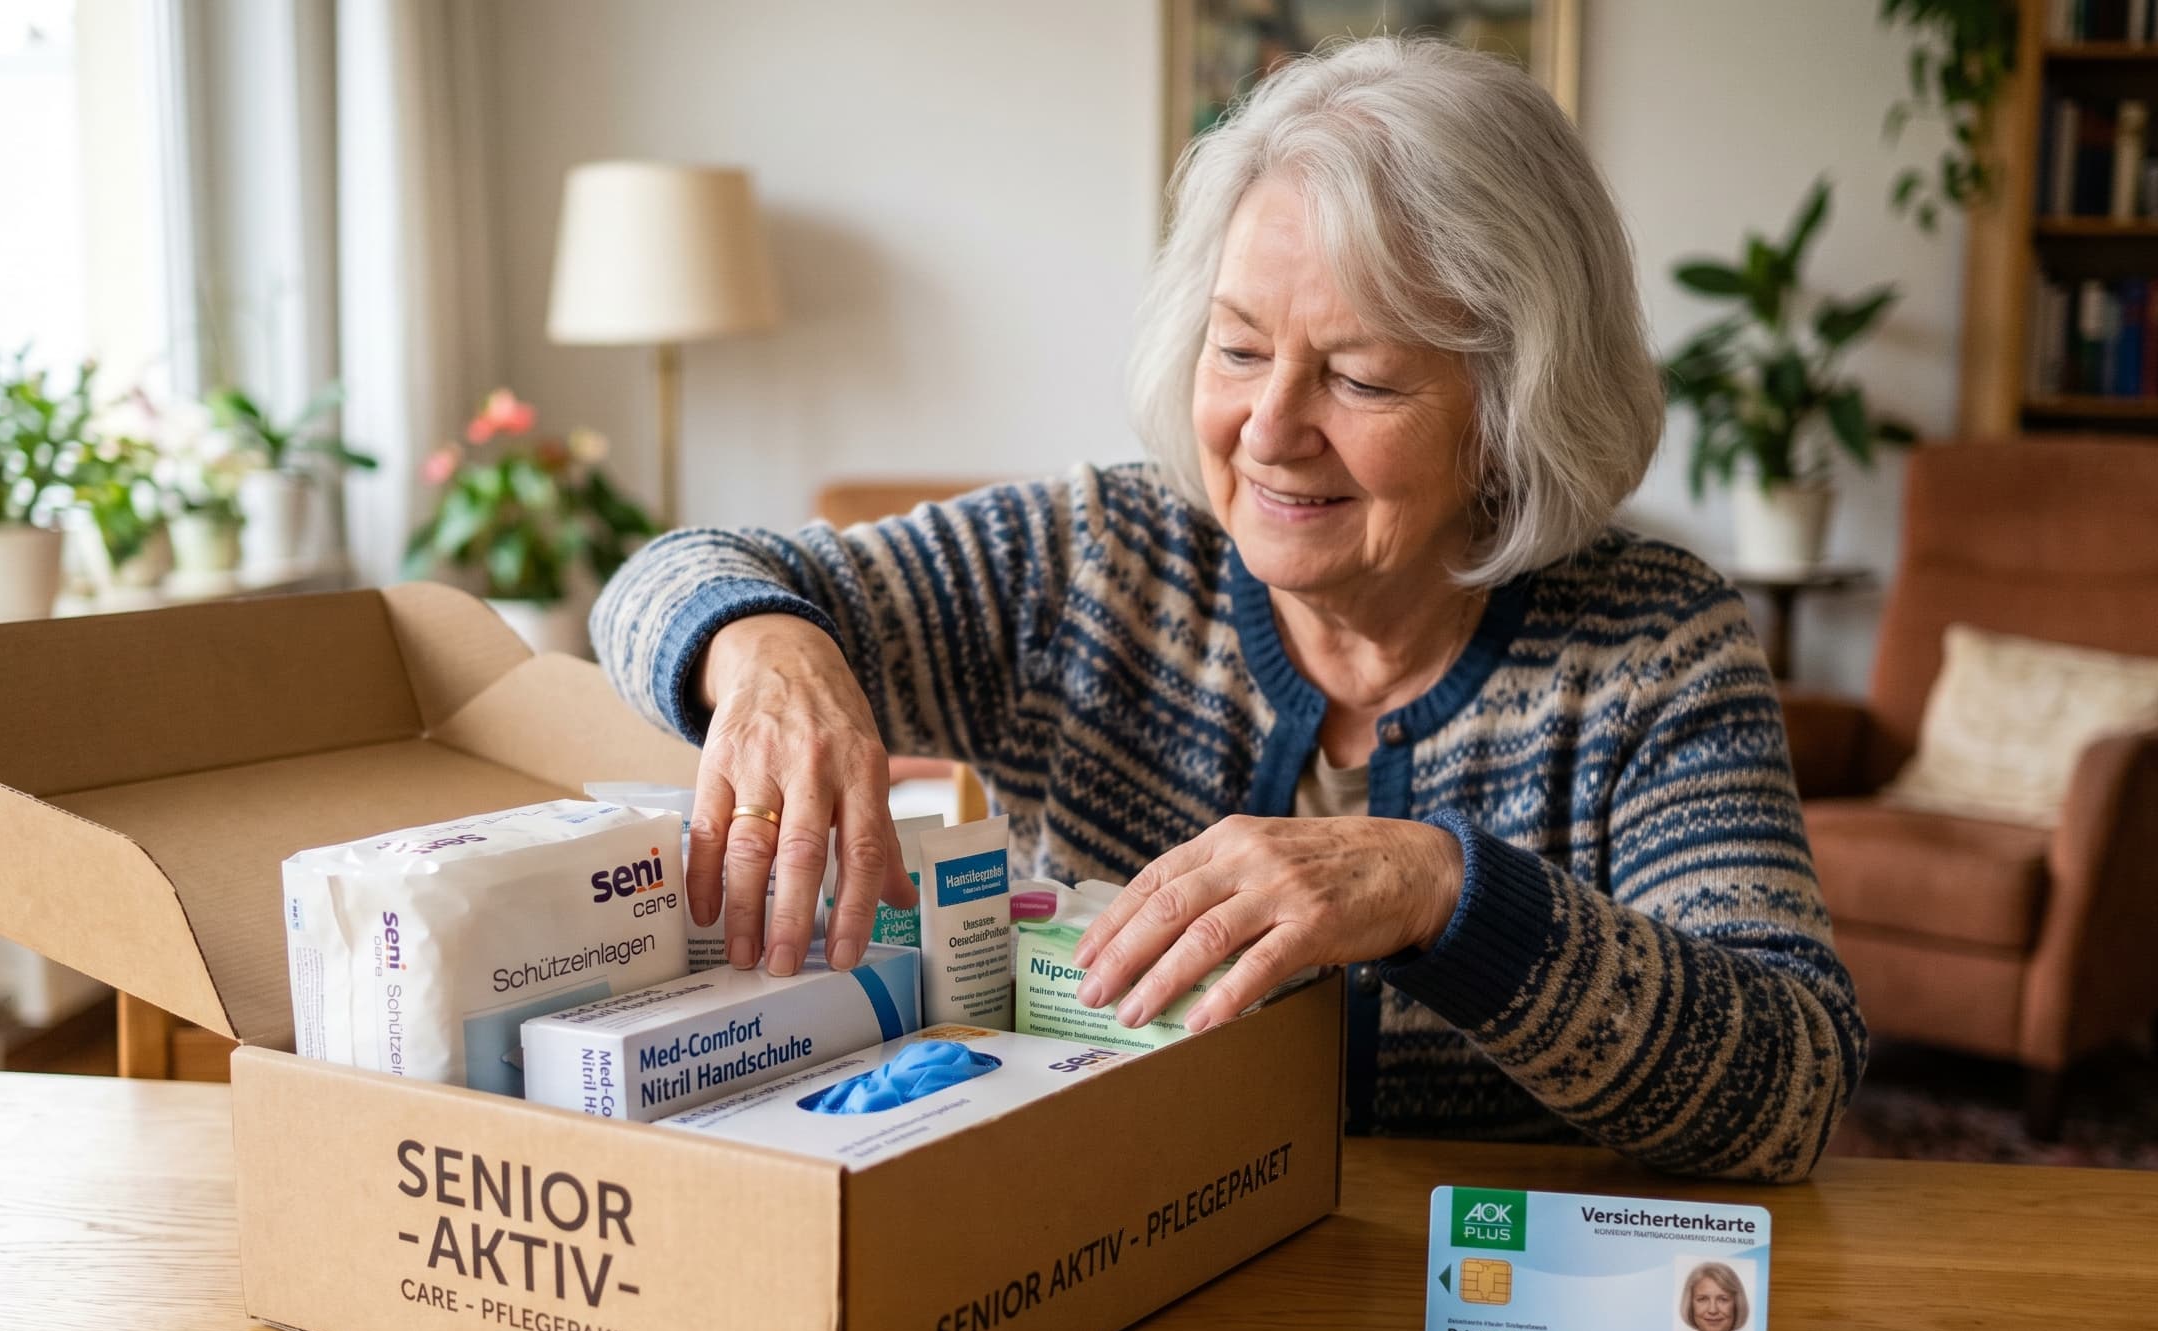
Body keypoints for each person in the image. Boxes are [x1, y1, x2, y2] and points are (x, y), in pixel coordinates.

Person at [590, 37, 1863, 1182]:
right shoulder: (1094, 561)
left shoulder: (1650, 647)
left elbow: (1791, 1088)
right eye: (1240, 349)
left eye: (1359, 377)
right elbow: (659, 580)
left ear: (1513, 410)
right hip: (1114, 1273)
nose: (1266, 432)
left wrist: (1442, 890)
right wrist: (770, 652)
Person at [1674, 1263, 1756, 1331]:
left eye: (1723, 1299)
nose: (1713, 1310)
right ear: (1690, 1304)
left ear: (1736, 1304)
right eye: (1702, 1299)